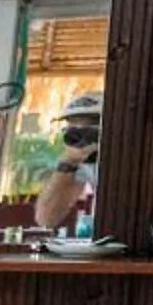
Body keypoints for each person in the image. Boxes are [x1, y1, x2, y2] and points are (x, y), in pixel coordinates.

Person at [34, 93, 102, 235]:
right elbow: (46, 218)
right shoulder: (83, 161)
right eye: (71, 127)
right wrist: (68, 162)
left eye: (87, 125)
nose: (78, 135)